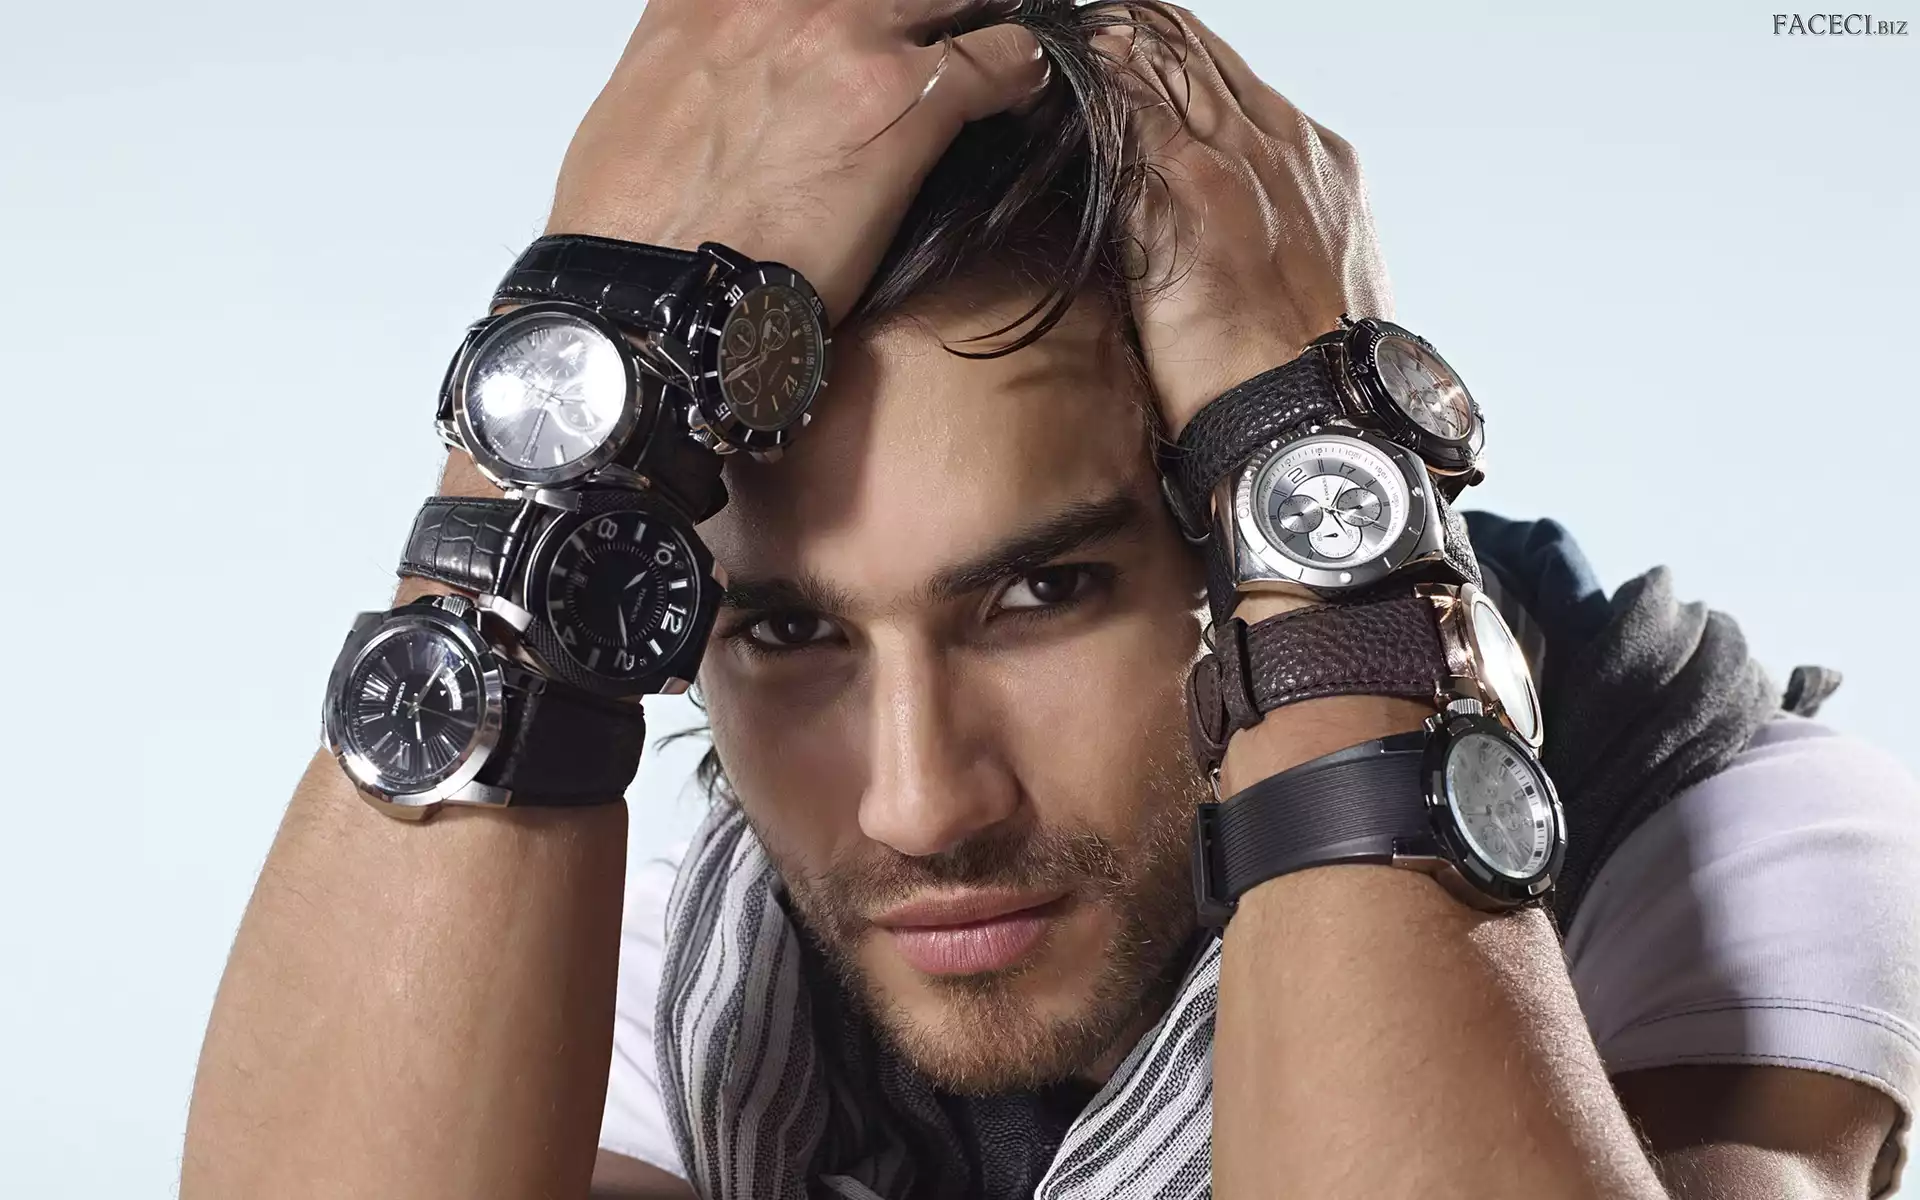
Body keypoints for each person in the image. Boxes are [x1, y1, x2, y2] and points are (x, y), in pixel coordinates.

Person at [181, 2, 1920, 1197]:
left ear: (1228, 548)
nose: (918, 806)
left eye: (1040, 591)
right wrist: (555, 421)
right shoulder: (692, 925)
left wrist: (1309, 442)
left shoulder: (1728, 835)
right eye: (786, 632)